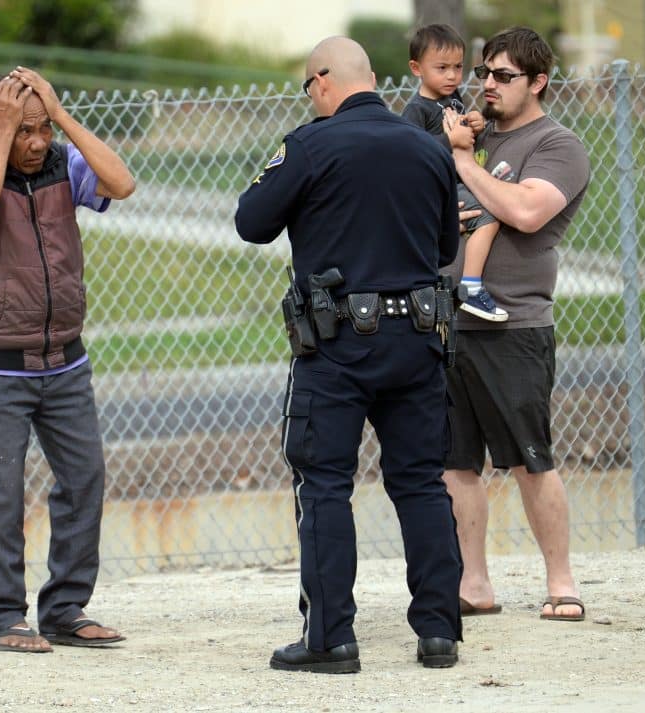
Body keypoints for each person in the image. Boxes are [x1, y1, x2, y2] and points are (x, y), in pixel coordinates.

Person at [235, 36, 463, 672]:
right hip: (418, 340)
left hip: (335, 347)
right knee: (420, 483)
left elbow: (250, 221)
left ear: (323, 82)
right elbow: (446, 242)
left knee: (325, 484)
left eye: (309, 87)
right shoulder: (428, 147)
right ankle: (439, 632)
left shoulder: (308, 145)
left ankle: (330, 638)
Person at [0, 67, 135, 653]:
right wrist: (1, 135)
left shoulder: (61, 165)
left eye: (42, 129)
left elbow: (121, 184)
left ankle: (66, 608)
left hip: (65, 360)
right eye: (24, 131)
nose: (36, 142)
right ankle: (4, 616)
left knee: (84, 478)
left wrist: (63, 115)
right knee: (2, 492)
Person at [440, 27, 591, 622]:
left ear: (538, 81)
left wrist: (462, 165)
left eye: (503, 76)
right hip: (451, 321)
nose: (488, 85)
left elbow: (526, 210)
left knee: (531, 459)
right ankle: (473, 584)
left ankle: (562, 582)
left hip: (514, 325)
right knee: (455, 464)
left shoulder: (558, 145)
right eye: (485, 74)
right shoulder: (471, 135)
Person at [402, 23, 508, 322]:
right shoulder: (416, 110)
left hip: (456, 181)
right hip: (437, 188)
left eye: (458, 67)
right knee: (489, 216)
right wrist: (450, 140)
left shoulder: (453, 98)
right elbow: (409, 154)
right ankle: (472, 287)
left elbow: (462, 129)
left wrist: (473, 121)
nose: (452, 75)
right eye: (442, 68)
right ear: (416, 68)